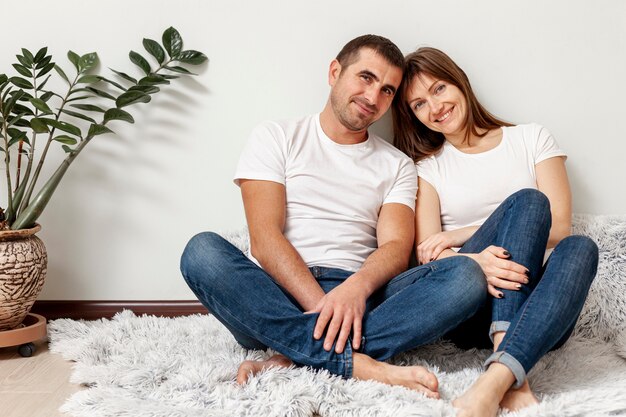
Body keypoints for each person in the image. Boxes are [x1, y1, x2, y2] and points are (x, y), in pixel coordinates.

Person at [180, 35, 488, 398]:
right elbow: (264, 239)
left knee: (466, 275)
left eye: (388, 90)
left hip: (362, 297)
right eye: (366, 78)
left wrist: (353, 291)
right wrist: (325, 308)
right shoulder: (277, 136)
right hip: (272, 296)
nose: (373, 98)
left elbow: (396, 246)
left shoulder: (398, 165)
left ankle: (292, 355)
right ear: (335, 72)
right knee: (201, 252)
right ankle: (356, 363)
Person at [392, 46, 599, 417]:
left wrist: (459, 236)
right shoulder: (428, 168)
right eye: (419, 104)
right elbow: (428, 252)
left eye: (439, 89)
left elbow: (560, 227)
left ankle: (496, 378)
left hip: (544, 310)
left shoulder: (531, 138)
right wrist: (476, 261)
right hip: (476, 313)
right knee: (531, 202)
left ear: (460, 82)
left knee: (580, 245)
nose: (435, 107)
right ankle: (511, 376)